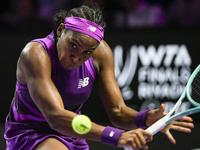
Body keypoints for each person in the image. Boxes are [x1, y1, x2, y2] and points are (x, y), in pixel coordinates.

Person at [4, 3, 193, 150]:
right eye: (74, 45)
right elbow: (55, 116)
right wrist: (116, 136)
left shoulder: (101, 53)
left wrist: (146, 118)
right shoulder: (35, 54)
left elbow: (118, 111)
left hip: (74, 131)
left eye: (87, 52)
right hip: (31, 132)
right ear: (61, 30)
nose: (77, 57)